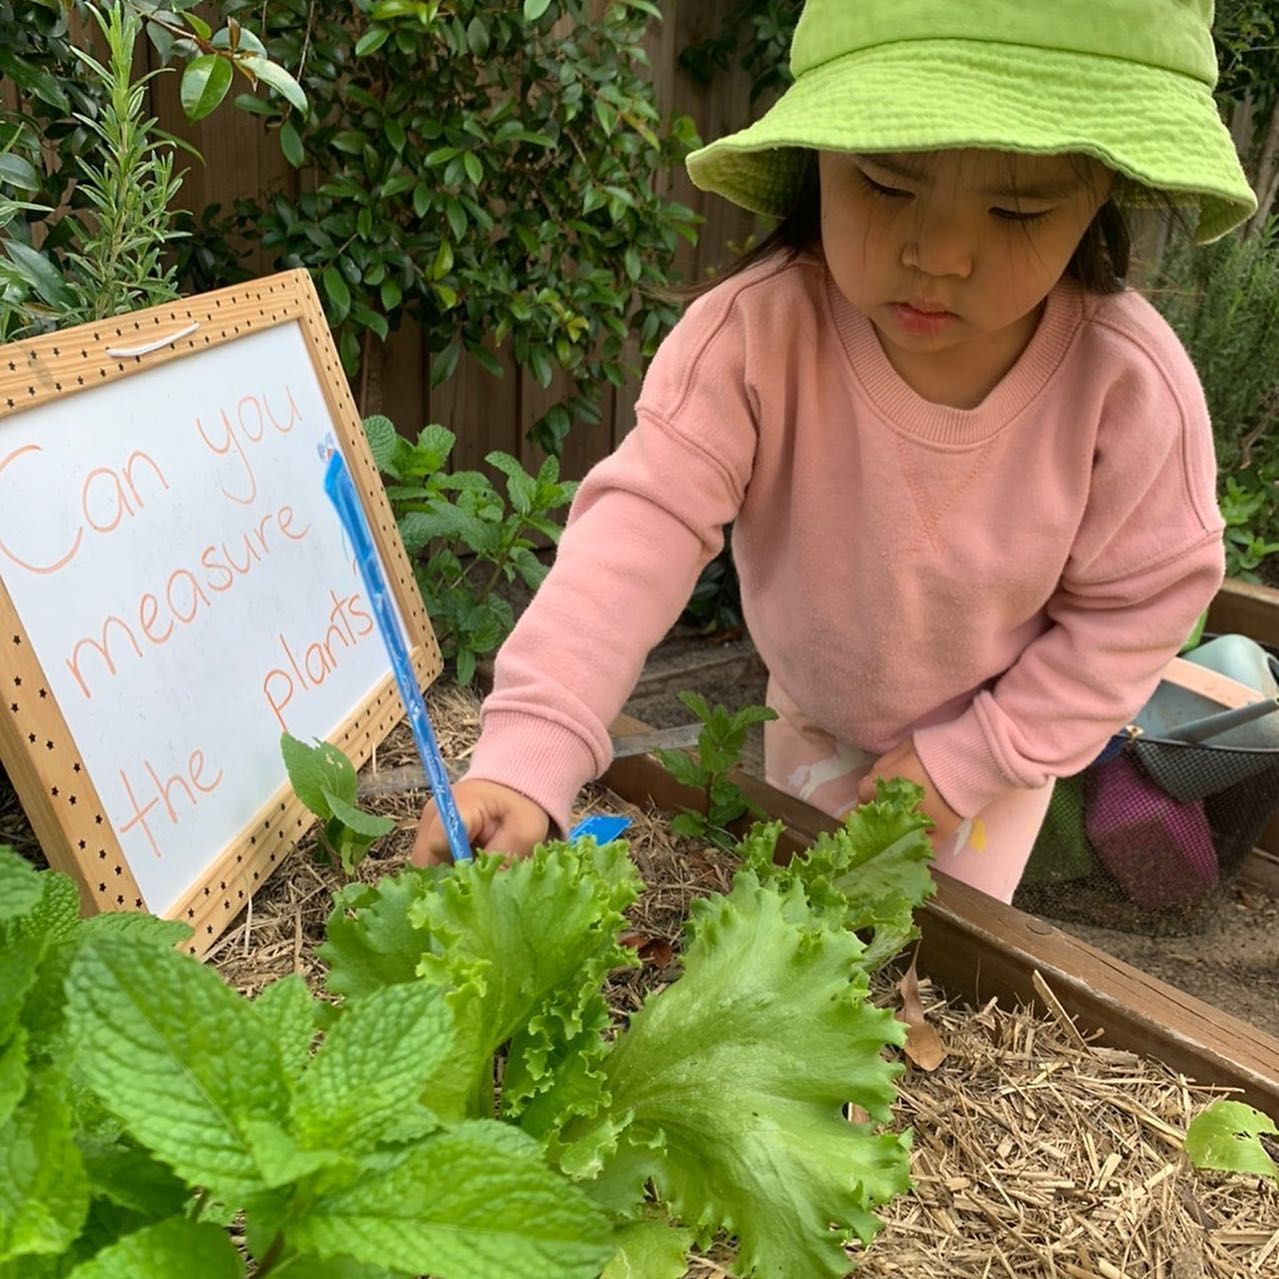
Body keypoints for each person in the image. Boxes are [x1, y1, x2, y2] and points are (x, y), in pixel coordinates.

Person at [413, 0, 1257, 901]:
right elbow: (640, 531)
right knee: (797, 932)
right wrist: (531, 743)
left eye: (1015, 208)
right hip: (811, 712)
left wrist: (971, 758)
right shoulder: (755, 334)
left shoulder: (1124, 388)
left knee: (918, 956)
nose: (937, 253)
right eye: (886, 186)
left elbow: (1143, 604)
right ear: (815, 162)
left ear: (1100, 194)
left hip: (998, 735)